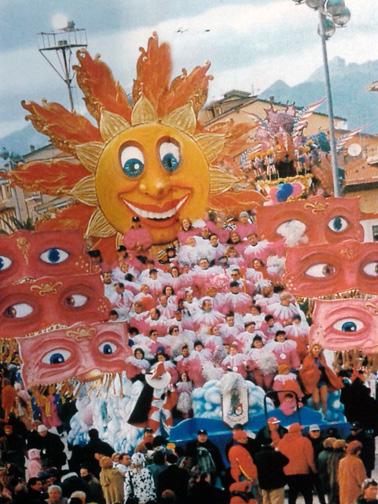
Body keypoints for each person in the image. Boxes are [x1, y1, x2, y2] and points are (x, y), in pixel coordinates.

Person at [278, 423, 316, 504]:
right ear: (298, 431)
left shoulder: (281, 443)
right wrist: (314, 470)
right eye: (300, 430)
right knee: (307, 494)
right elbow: (310, 459)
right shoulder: (305, 441)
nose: (301, 432)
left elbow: (279, 459)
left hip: (288, 473)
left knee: (292, 494)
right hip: (303, 472)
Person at [253, 437, 289, 504]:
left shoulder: (257, 455)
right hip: (277, 483)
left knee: (266, 501)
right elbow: (286, 460)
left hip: (263, 483)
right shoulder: (276, 454)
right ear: (271, 444)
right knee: (277, 501)